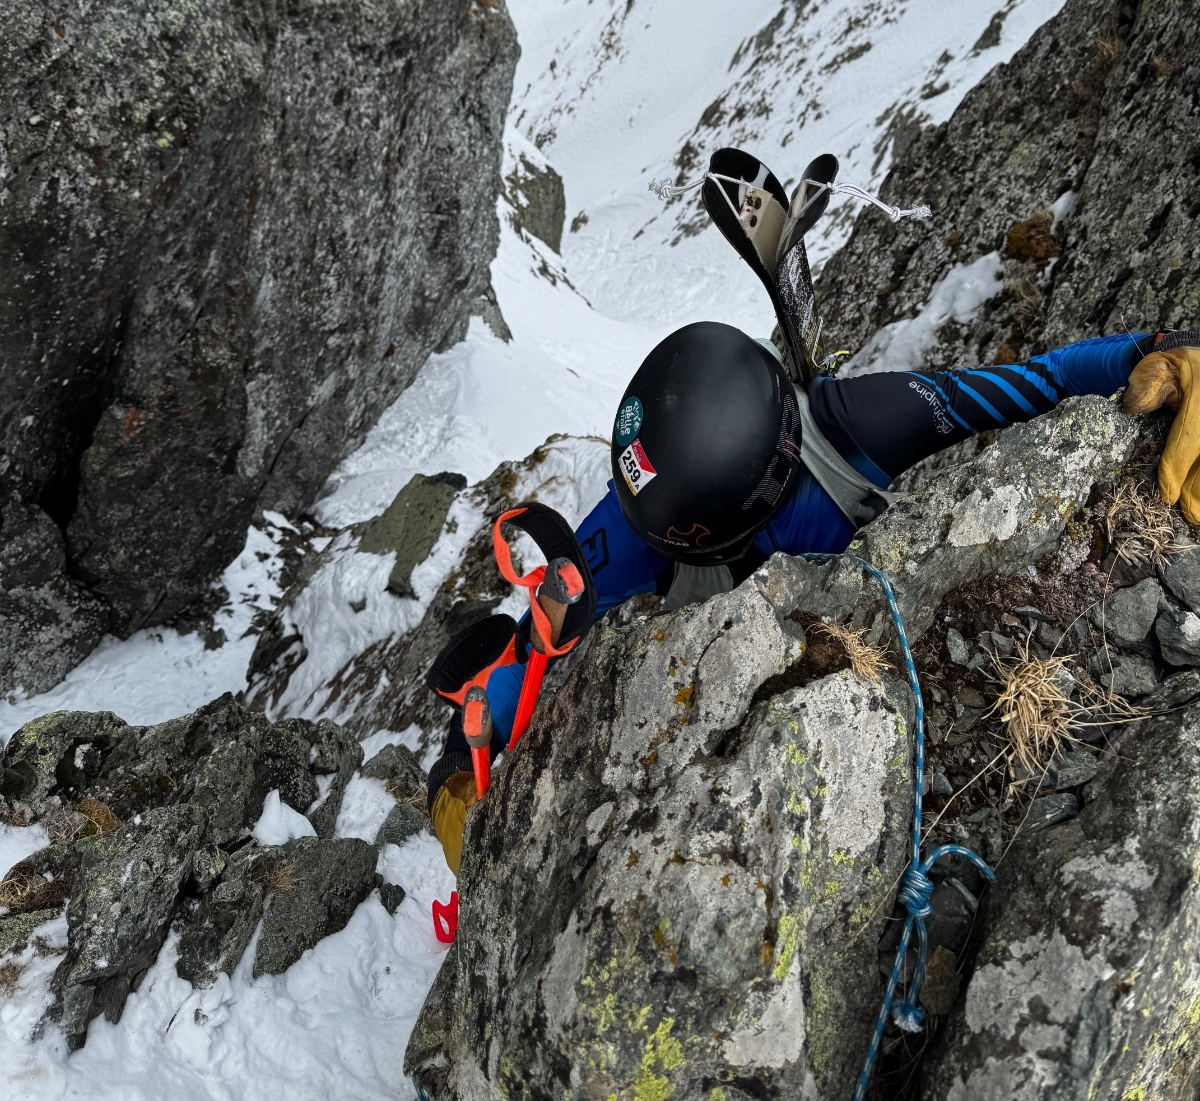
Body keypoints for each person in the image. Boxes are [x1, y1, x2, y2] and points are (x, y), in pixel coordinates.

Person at [425, 318, 1200, 875]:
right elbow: (522, 664)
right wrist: (461, 771)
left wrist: (1158, 356)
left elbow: (1041, 383)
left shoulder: (861, 421)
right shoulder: (637, 518)